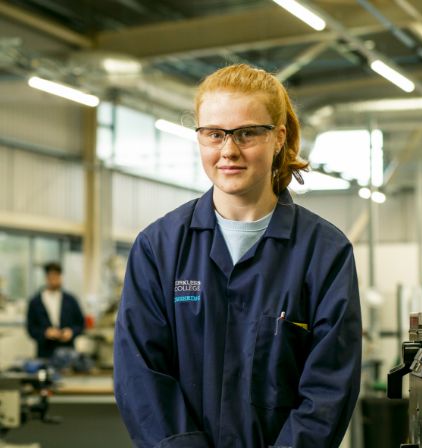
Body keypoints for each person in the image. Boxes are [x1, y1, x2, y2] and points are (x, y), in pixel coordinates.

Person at [113, 64, 362, 448]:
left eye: (246, 133)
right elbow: (141, 375)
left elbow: (329, 387)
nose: (228, 150)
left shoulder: (324, 252)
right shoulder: (158, 248)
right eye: (214, 134)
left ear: (278, 137)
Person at [26, 262, 85, 358]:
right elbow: (30, 328)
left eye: (56, 277)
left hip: (68, 350)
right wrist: (45, 332)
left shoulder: (71, 300)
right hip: (45, 352)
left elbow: (81, 324)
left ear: (61, 277)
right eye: (51, 277)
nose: (54, 280)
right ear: (46, 278)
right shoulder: (35, 302)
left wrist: (71, 332)